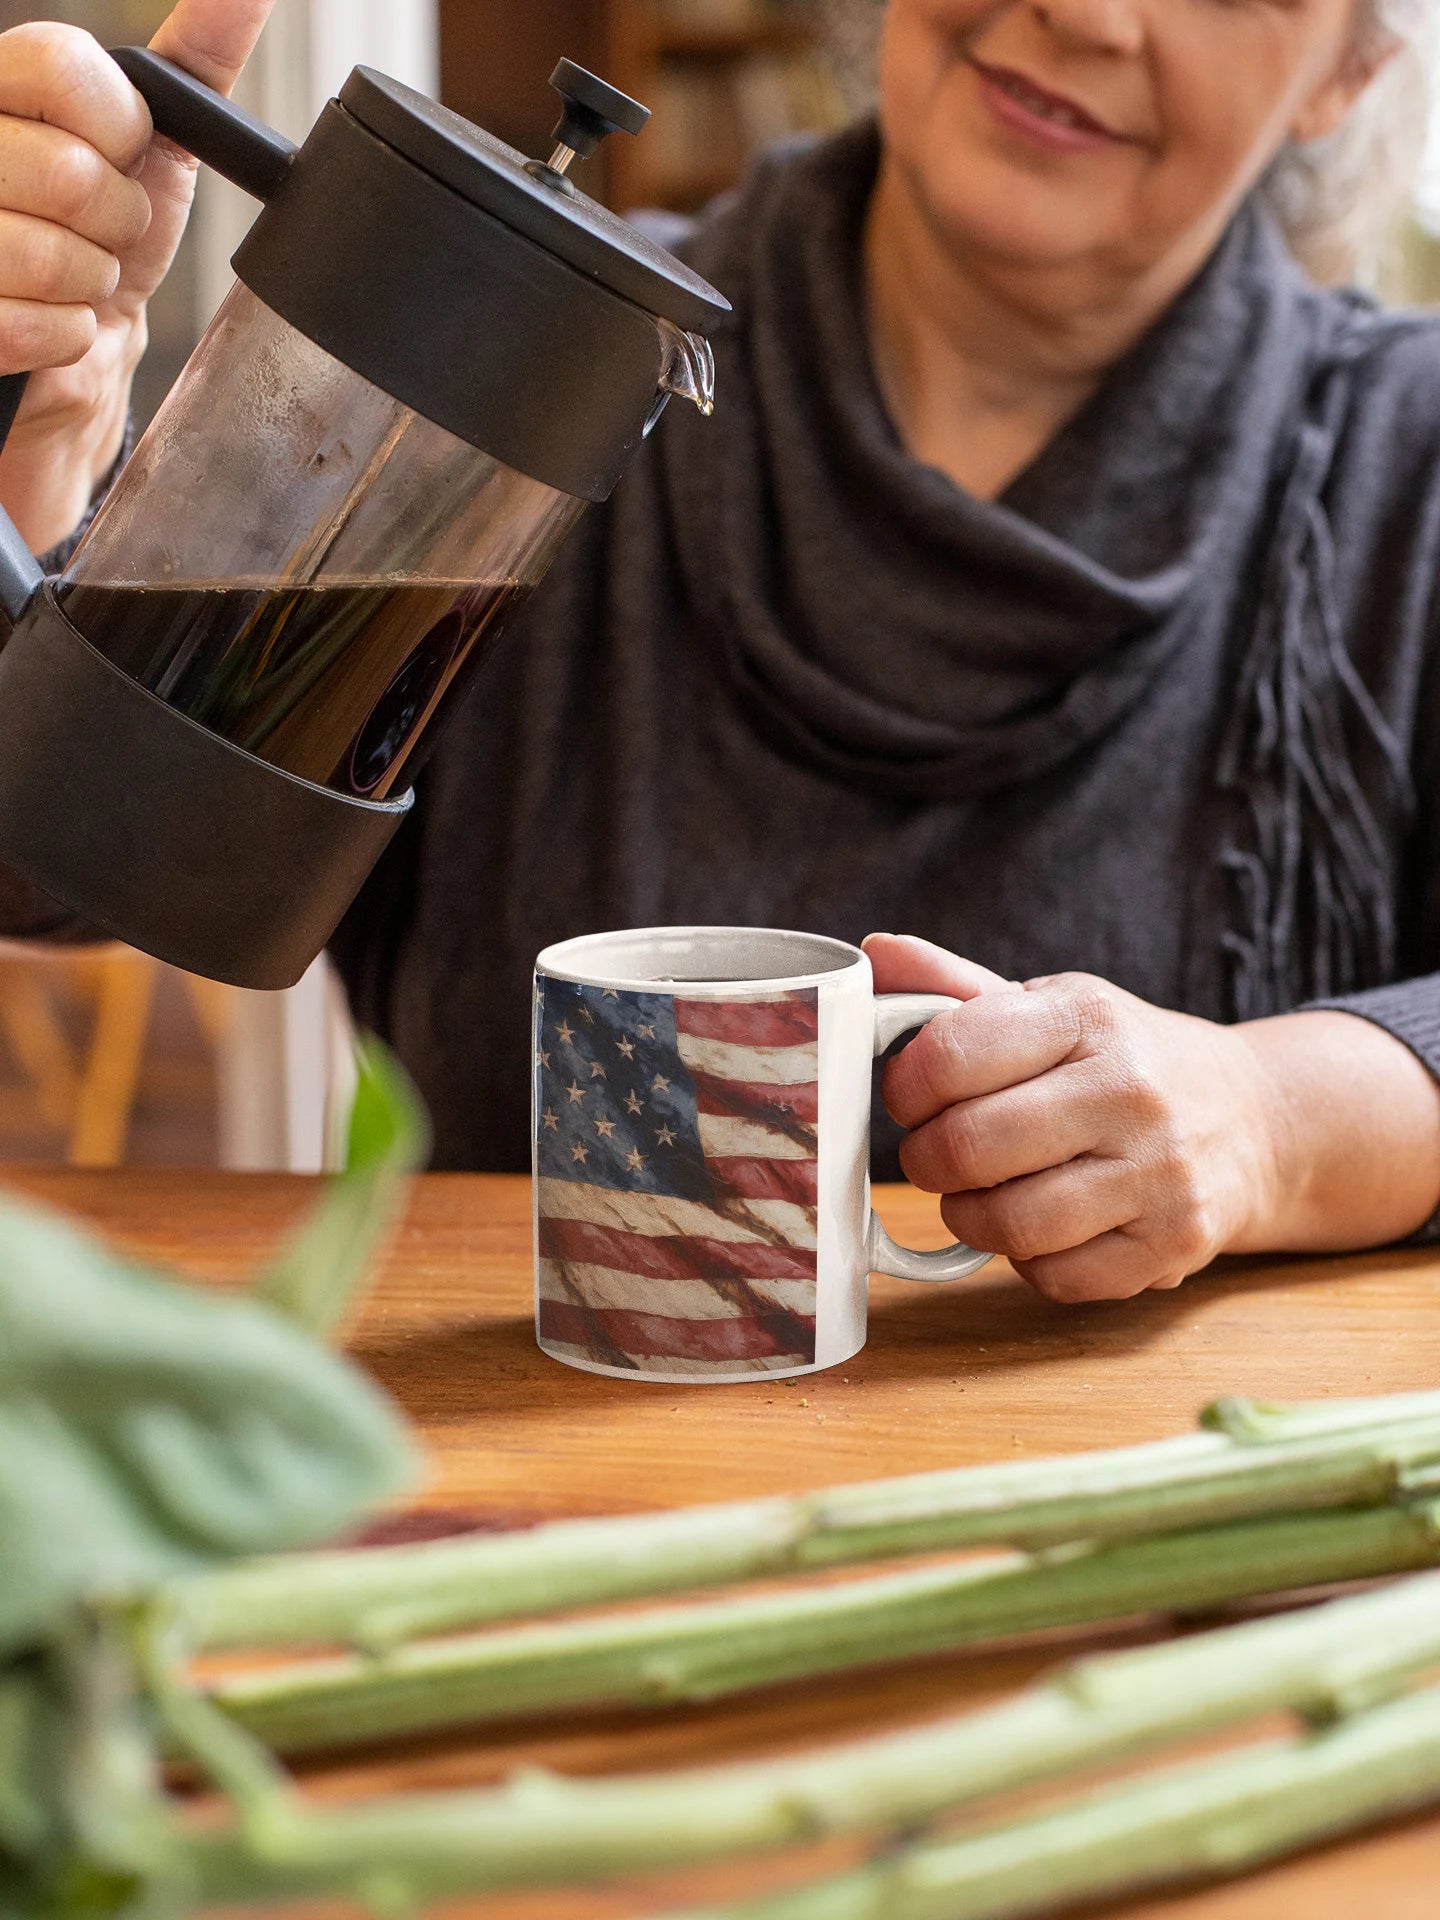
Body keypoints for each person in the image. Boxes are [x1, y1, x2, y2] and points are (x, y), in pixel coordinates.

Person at [1, 0, 1439, 1306]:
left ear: (1351, 70)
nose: (1081, 10)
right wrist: (40, 470)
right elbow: (57, 849)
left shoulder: (1406, 468)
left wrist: (1270, 1118)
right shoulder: (535, 365)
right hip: (524, 1498)